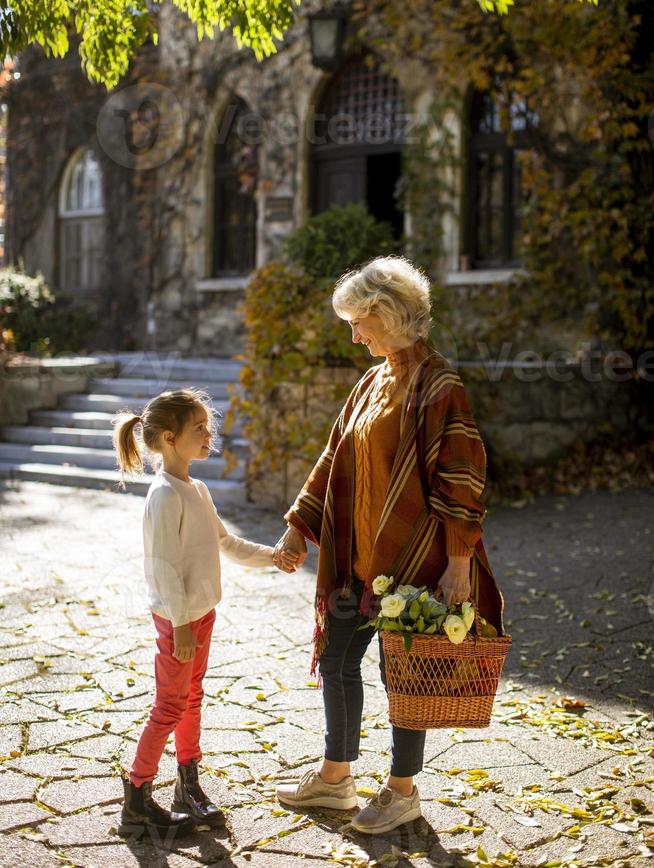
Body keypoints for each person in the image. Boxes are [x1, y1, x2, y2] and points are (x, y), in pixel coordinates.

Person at [274, 255, 506, 835]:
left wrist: (458, 563)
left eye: (358, 321)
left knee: (405, 676)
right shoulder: (372, 381)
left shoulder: (439, 383)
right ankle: (335, 779)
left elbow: (461, 475)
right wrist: (299, 527)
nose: (354, 334)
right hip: (357, 558)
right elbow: (335, 459)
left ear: (386, 312)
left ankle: (402, 791)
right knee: (336, 661)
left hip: (418, 558)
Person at [112, 388, 296, 841]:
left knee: (192, 698)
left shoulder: (197, 488)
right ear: (170, 438)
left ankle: (187, 784)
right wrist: (179, 626)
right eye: (199, 428)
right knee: (170, 704)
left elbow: (226, 543)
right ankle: (136, 797)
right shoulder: (164, 496)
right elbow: (163, 569)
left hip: (200, 615)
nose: (208, 434)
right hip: (179, 622)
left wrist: (272, 556)